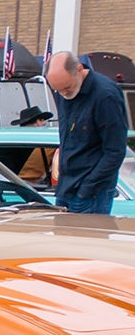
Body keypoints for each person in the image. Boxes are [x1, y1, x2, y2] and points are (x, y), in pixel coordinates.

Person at [46, 50, 127, 214]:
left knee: (85, 238)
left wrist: (88, 188)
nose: (64, 95)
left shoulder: (105, 96)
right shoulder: (66, 92)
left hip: (92, 193)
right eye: (58, 90)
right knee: (60, 238)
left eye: (67, 88)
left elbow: (115, 151)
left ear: (79, 69)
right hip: (66, 186)